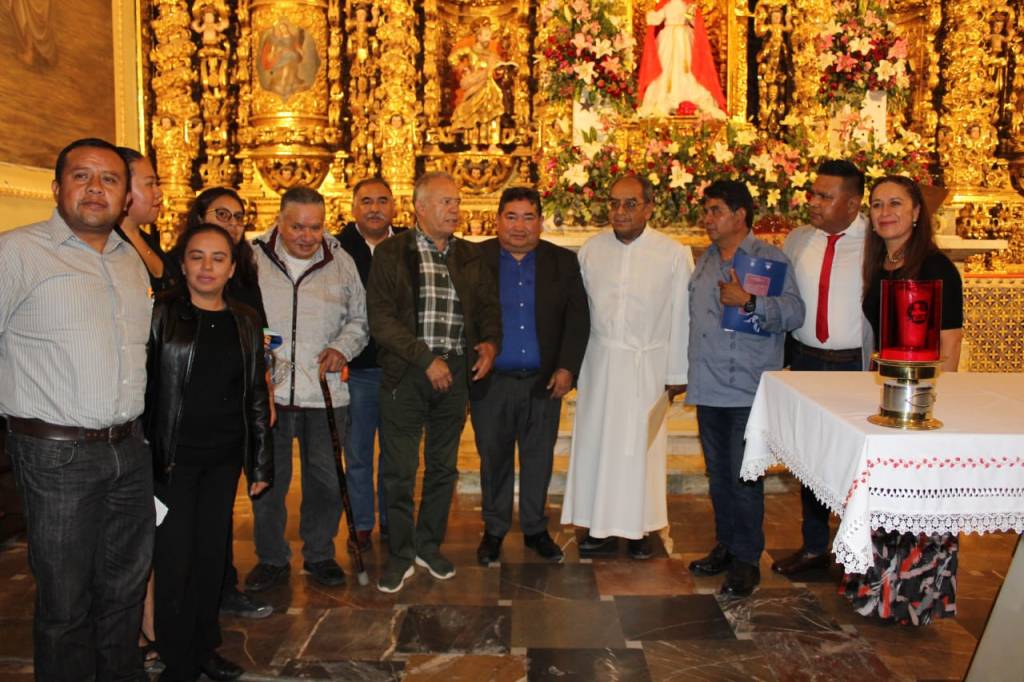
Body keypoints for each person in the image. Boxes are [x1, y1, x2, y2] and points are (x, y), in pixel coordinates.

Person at [0, 138, 154, 679]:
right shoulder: (17, 252)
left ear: (125, 196)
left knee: (125, 591)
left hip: (129, 450)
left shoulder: (130, 262)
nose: (95, 188)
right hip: (55, 456)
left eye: (109, 179)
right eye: (82, 176)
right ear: (56, 187)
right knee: (66, 603)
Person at [146, 224, 273, 681]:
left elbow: (255, 394)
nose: (207, 267)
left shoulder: (245, 319)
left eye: (218, 258)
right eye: (197, 256)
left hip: (222, 460)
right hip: (171, 461)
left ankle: (203, 647)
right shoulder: (161, 314)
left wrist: (259, 463)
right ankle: (178, 660)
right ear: (182, 264)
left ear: (232, 268)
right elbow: (144, 387)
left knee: (210, 558)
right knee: (174, 562)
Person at [367, 171, 501, 593]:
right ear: (420, 207)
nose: (455, 209)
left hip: (456, 374)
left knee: (443, 467)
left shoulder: (470, 256)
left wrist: (490, 344)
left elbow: (489, 309)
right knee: (400, 469)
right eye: (446, 202)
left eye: (456, 202)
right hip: (407, 374)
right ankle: (401, 553)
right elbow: (381, 319)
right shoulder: (392, 253)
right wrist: (426, 359)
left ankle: (428, 544)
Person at [841, 175, 964, 625]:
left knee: (916, 498)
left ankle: (913, 596)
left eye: (896, 203)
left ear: (916, 212)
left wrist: (928, 400)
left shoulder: (936, 267)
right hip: (889, 393)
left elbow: (950, 344)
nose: (885, 212)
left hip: (922, 398)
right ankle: (876, 588)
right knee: (883, 494)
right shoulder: (883, 264)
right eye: (877, 204)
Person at [560, 175, 693, 560]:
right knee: (598, 444)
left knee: (640, 450)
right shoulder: (591, 250)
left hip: (646, 366)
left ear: (649, 207)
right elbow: (578, 313)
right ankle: (597, 525)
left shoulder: (671, 253)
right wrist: (574, 364)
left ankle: (639, 529)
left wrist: (676, 373)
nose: (620, 211)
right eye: (614, 203)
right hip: (600, 364)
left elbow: (682, 317)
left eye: (630, 204)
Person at [246, 187, 369, 591]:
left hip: (324, 391)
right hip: (271, 392)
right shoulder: (252, 258)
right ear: (279, 221)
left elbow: (360, 320)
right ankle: (271, 557)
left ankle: (319, 553)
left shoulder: (340, 261)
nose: (306, 236)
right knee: (268, 482)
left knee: (326, 480)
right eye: (297, 227)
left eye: (315, 227)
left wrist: (342, 348)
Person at [686, 180, 804, 596]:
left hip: (746, 389)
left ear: (740, 215)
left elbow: (794, 312)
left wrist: (750, 302)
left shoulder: (769, 259)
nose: (707, 219)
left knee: (744, 476)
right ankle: (726, 544)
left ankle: (747, 559)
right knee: (718, 475)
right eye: (706, 211)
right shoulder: (705, 261)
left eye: (715, 210)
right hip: (708, 385)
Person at [471, 187, 590, 566]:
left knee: (538, 459)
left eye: (528, 217)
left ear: (540, 221)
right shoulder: (475, 259)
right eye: (511, 216)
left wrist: (567, 367)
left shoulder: (562, 262)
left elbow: (577, 319)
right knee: (494, 459)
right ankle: (494, 530)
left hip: (544, 383)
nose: (519, 226)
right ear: (497, 219)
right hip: (492, 384)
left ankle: (536, 529)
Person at [773, 160, 871, 578]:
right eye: (813, 193)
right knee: (810, 458)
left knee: (854, 462)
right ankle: (814, 547)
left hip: (855, 366)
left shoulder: (875, 243)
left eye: (825, 196)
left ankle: (855, 553)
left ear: (852, 204)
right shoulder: (798, 240)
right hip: (807, 360)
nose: (813, 202)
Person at [182, 188, 274, 621]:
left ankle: (220, 588)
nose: (233, 224)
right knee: (182, 527)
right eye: (223, 214)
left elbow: (258, 339)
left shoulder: (243, 273)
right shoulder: (180, 285)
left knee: (217, 518)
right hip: (185, 425)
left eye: (239, 217)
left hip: (228, 415)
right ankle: (184, 606)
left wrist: (265, 389)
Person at [335, 177, 408, 552]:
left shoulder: (410, 245)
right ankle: (361, 524)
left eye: (382, 201)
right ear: (352, 208)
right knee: (358, 453)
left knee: (397, 453)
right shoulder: (336, 248)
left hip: (401, 368)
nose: (375, 208)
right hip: (358, 369)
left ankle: (394, 522)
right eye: (366, 201)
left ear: (394, 206)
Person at [637, 0, 727, 118]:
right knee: (665, 67)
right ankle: (663, 100)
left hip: (684, 37)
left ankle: (689, 102)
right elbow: (656, 19)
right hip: (668, 38)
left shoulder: (687, 5)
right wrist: (651, 16)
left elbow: (694, 22)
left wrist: (693, 14)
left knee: (687, 68)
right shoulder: (666, 5)